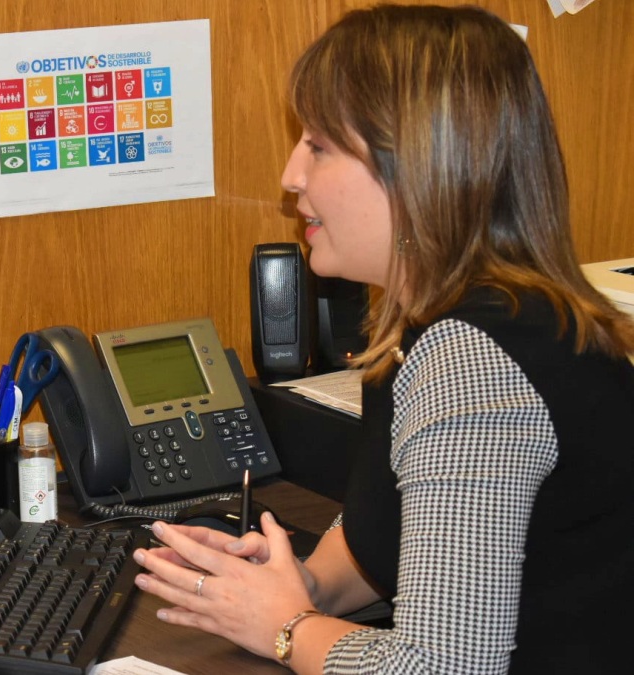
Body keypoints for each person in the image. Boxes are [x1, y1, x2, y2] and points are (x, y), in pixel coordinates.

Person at [132, 6, 634, 674]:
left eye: (319, 145)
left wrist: (285, 627)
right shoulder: (441, 318)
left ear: (417, 168)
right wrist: (304, 585)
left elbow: (440, 666)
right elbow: (414, 527)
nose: (290, 176)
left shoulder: (476, 360)